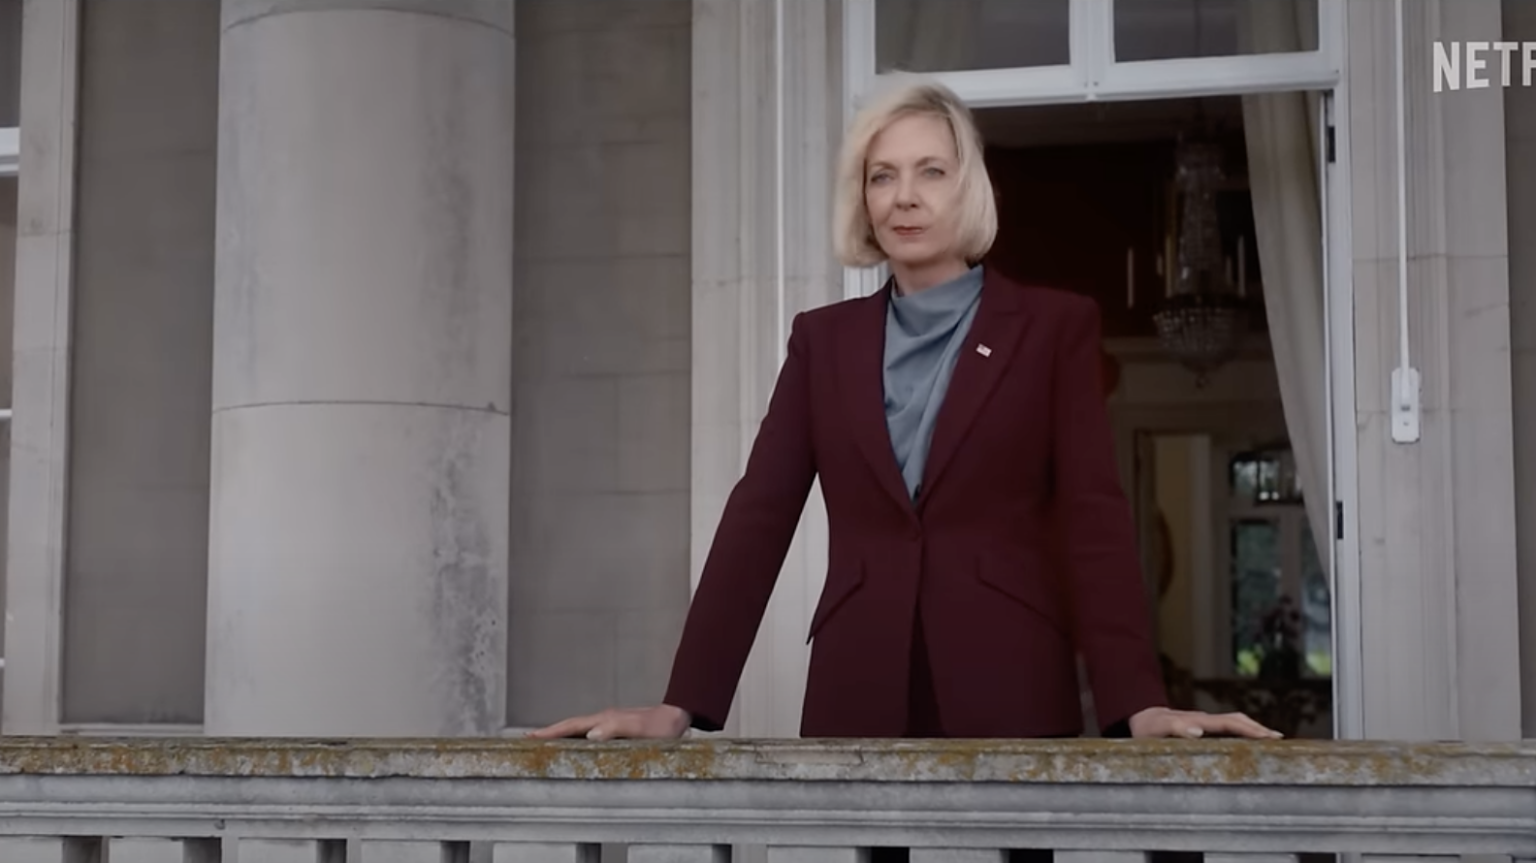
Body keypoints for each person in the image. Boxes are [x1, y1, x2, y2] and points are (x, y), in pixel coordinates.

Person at [530, 77, 1278, 745]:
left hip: (1009, 690)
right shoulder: (822, 342)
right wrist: (682, 704)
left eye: (930, 172)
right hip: (856, 692)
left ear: (968, 188)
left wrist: (1137, 704)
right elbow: (758, 516)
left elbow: (1094, 520)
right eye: (881, 176)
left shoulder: (1054, 328)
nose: (904, 196)